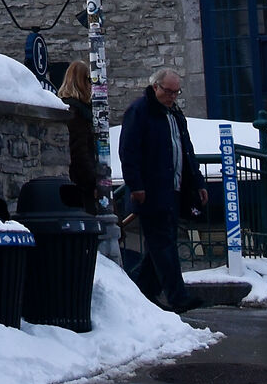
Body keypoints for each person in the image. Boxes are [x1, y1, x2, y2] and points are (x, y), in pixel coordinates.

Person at [118, 68, 209, 312]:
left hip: (173, 189)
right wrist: (136, 185)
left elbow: (185, 150)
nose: (172, 96)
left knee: (160, 246)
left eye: (176, 92)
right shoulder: (140, 111)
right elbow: (129, 152)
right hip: (152, 190)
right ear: (155, 87)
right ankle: (177, 296)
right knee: (163, 244)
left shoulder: (174, 115)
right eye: (168, 91)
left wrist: (198, 182)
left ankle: (143, 294)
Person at [58, 60, 102, 205]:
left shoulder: (76, 110)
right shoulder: (77, 113)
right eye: (90, 80)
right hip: (82, 186)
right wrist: (92, 182)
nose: (92, 86)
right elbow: (80, 151)